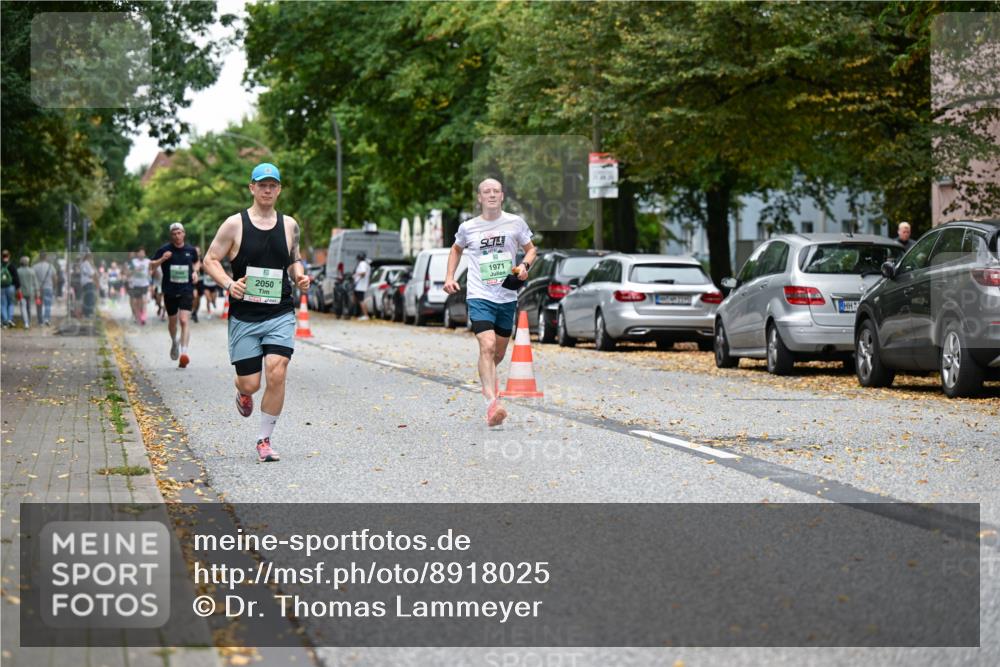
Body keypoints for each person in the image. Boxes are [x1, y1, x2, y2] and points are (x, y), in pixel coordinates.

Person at [202, 162, 310, 463]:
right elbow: (210, 259)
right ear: (252, 187)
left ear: (279, 190)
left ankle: (264, 439)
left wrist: (299, 275)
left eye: (272, 185)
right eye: (262, 184)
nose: (267, 189)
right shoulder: (234, 224)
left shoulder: (290, 225)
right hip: (245, 316)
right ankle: (243, 392)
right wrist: (228, 283)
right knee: (251, 382)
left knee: (278, 369)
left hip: (279, 311)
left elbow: (293, 259)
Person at [444, 178, 537, 427]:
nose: (492, 195)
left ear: (502, 196)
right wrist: (450, 277)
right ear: (480, 198)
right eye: (487, 191)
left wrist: (525, 266)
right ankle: (491, 404)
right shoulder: (468, 227)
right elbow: (455, 249)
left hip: (507, 295)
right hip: (479, 295)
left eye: (496, 191)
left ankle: (488, 382)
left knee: (498, 353)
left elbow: (531, 250)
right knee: (487, 344)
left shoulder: (515, 223)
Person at [151, 223, 199, 368]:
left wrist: (195, 271)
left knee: (184, 320)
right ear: (171, 235)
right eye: (174, 233)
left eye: (179, 233)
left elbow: (197, 262)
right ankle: (174, 342)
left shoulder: (191, 250)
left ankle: (184, 354)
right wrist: (162, 260)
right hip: (170, 290)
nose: (177, 236)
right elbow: (151, 265)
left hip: (186, 289)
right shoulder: (164, 250)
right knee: (172, 322)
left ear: (184, 234)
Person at [127, 246, 152, 325]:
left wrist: (150, 277)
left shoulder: (148, 261)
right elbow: (129, 273)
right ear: (137, 254)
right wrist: (135, 270)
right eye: (140, 252)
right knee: (137, 302)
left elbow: (150, 271)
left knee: (144, 301)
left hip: (145, 283)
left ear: (145, 254)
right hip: (136, 284)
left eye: (143, 252)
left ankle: (143, 317)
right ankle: (138, 316)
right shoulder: (133, 262)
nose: (141, 254)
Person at [32, 252, 56, 326]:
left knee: (39, 305)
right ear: (46, 257)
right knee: (48, 304)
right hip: (48, 288)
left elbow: (32, 278)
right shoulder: (50, 266)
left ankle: (40, 321)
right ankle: (47, 319)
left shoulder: (34, 267)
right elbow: (55, 277)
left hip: (38, 289)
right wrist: (54, 286)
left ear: (39, 257)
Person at [17, 257, 38, 328]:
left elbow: (16, 283)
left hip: (21, 292)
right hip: (30, 292)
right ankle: (29, 322)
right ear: (28, 263)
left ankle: (26, 323)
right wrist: (37, 292)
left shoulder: (18, 271)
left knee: (23, 307)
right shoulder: (32, 271)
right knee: (29, 308)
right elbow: (35, 283)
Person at [1, 249, 20, 328]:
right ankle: (10, 319)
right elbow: (16, 277)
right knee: (11, 304)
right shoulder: (12, 265)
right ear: (9, 256)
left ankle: (4, 320)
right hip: (11, 287)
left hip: (1, 287)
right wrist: (17, 287)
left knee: (2, 304)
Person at [352, 251, 371, 320]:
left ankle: (365, 315)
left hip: (360, 285)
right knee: (358, 299)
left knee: (361, 300)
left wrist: (356, 275)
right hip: (361, 285)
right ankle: (361, 314)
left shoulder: (362, 264)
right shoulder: (366, 264)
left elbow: (363, 273)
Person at [79, 252, 97, 318]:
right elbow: (92, 273)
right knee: (90, 298)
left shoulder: (82, 264)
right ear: (89, 257)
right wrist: (93, 265)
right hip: (88, 283)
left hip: (84, 283)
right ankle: (88, 313)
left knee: (86, 298)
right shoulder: (87, 264)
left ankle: (85, 313)